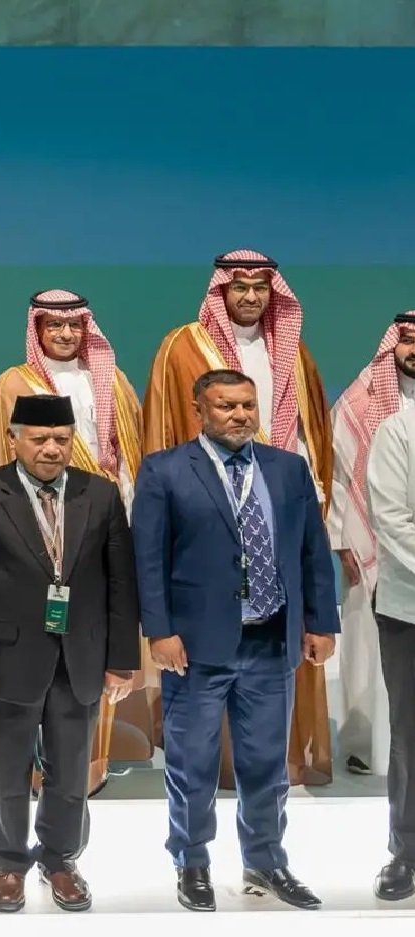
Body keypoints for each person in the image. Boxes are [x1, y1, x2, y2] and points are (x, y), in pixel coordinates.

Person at [133, 369, 338, 912]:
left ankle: (266, 861)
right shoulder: (165, 470)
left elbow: (312, 551)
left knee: (268, 765)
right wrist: (159, 631)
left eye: (248, 405)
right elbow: (148, 560)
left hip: (271, 641)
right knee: (191, 764)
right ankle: (192, 862)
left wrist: (321, 623)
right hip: (195, 647)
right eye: (226, 406)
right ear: (199, 410)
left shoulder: (288, 468)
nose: (240, 415)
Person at [142, 249, 334, 787]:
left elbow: (312, 434)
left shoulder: (294, 353)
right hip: (202, 518)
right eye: (239, 286)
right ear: (220, 290)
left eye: (260, 287)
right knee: (192, 756)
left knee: (269, 750)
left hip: (275, 511)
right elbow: (162, 430)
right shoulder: (182, 347)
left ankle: (274, 801)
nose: (250, 297)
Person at [0, 394, 139, 914]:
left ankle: (61, 860)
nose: (51, 448)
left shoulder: (99, 494)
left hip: (80, 657)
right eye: (39, 438)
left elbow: (121, 583)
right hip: (5, 658)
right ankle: (8, 864)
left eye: (61, 438)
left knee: (71, 771)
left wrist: (121, 659)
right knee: (6, 770)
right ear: (13, 439)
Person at [0, 290, 150, 791]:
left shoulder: (112, 379)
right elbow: (0, 459)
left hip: (102, 517)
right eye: (53, 325)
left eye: (73, 325)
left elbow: (129, 452)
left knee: (94, 634)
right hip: (37, 527)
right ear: (36, 329)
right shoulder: (14, 383)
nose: (64, 334)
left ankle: (89, 760)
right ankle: (34, 766)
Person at [330, 313, 415, 778]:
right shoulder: (360, 401)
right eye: (407, 339)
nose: (413, 349)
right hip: (370, 545)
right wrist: (342, 538)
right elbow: (338, 476)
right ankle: (365, 746)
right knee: (368, 646)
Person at [365, 369, 415, 902]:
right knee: (412, 734)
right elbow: (393, 519)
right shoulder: (399, 430)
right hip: (410, 609)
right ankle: (408, 852)